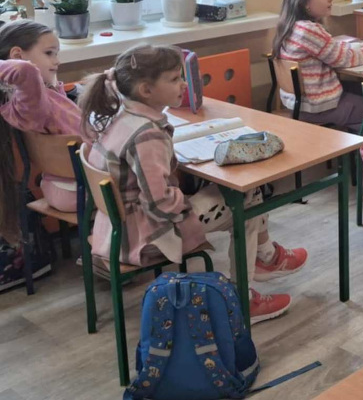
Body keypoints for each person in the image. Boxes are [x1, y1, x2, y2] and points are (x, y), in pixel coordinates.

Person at [80, 44, 306, 323]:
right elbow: (159, 203)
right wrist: (186, 201)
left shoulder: (121, 115)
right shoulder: (147, 134)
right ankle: (244, 298)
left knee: (240, 192)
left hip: (115, 230)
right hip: (144, 237)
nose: (183, 84)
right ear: (146, 90)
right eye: (174, 79)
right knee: (246, 198)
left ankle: (265, 257)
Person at [0, 21, 80, 243]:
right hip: (79, 187)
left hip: (70, 184)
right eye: (49, 53)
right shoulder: (27, 108)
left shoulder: (39, 98)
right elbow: (25, 71)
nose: (57, 60)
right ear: (18, 55)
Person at [273, 0, 363, 130]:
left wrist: (359, 47)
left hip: (300, 103)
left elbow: (332, 49)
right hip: (317, 107)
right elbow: (344, 59)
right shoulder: (309, 30)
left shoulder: (290, 26)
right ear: (304, 3)